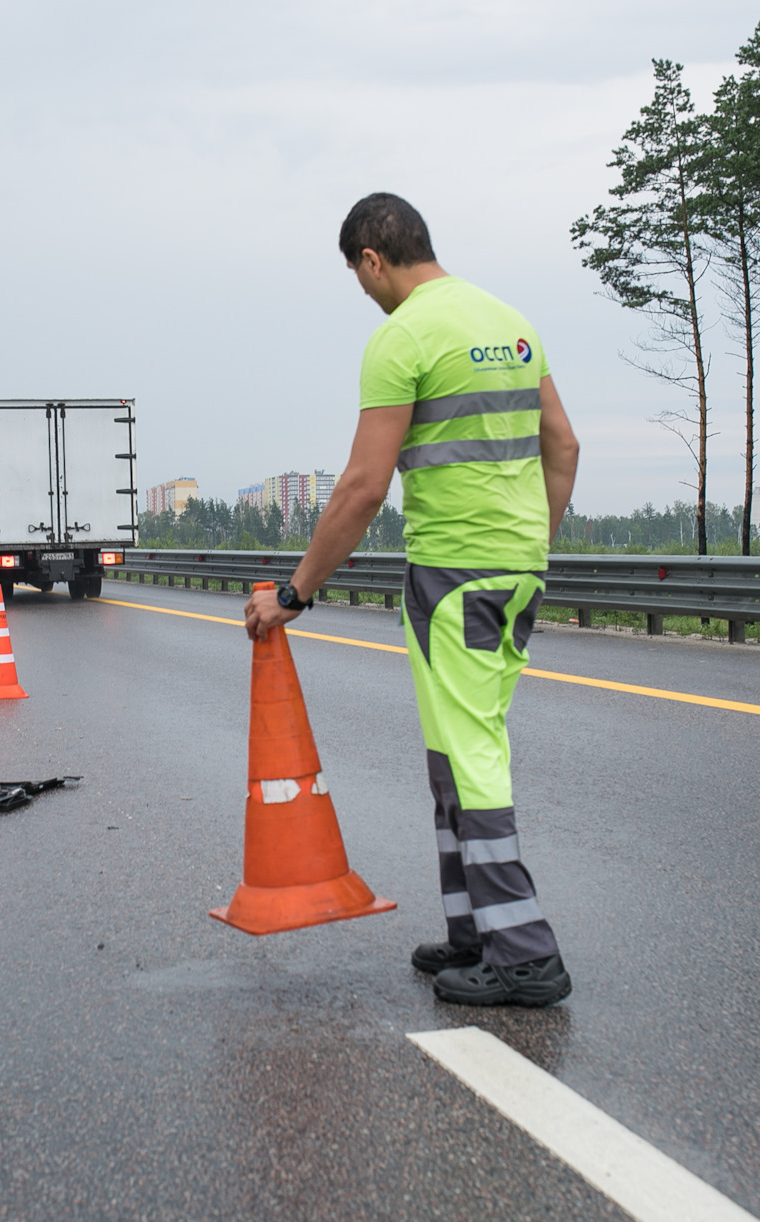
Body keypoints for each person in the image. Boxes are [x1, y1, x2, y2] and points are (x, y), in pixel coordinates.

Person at [244, 193, 580, 1008]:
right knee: (453, 756)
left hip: (455, 574)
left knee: (471, 758)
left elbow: (361, 488)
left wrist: (295, 593)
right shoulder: (510, 321)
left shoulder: (402, 338)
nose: (364, 292)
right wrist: (531, 540)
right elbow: (562, 446)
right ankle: (475, 933)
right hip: (515, 571)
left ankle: (527, 956)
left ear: (371, 259)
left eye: (359, 277)